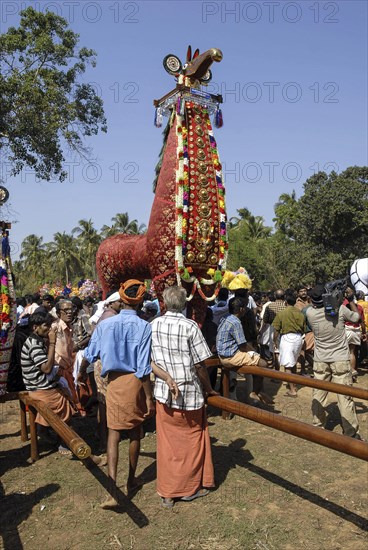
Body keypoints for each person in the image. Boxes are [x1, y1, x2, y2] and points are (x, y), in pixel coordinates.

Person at [79, 280, 154, 509]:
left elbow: (89, 354)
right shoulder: (144, 327)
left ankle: (113, 490)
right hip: (134, 383)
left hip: (113, 383)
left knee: (113, 434)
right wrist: (149, 398)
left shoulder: (105, 325)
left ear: (121, 298)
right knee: (135, 432)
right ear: (140, 300)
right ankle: (131, 480)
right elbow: (143, 368)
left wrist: (81, 374)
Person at [150, 286, 218, 509]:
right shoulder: (190, 326)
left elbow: (147, 360)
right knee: (192, 442)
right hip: (189, 395)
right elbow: (200, 364)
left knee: (168, 445)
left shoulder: (153, 325)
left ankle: (168, 493)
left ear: (164, 303)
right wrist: (209, 389)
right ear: (185, 304)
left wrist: (166, 378)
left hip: (164, 394)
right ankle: (188, 489)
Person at [306, 285, 363, 439]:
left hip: (320, 360)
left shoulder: (310, 313)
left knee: (319, 393)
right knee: (344, 396)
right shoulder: (340, 310)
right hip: (340, 359)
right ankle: (351, 432)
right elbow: (357, 318)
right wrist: (350, 300)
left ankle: (318, 426)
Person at [20, 312, 75, 453]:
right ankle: (64, 440)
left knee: (65, 393)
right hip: (38, 388)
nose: (49, 329)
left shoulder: (38, 340)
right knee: (63, 403)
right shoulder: (34, 344)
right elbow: (46, 368)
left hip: (41, 384)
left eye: (50, 325)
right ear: (35, 327)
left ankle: (44, 430)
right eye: (46, 326)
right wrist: (52, 343)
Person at [216, 297, 271, 405]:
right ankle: (255, 392)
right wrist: (254, 352)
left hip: (222, 355)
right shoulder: (236, 322)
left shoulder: (225, 318)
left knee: (255, 361)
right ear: (241, 309)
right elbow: (243, 345)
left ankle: (258, 391)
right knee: (263, 363)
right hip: (231, 356)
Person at [272, 290, 307, 397]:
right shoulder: (300, 313)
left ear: (286, 302)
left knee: (287, 365)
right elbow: (304, 329)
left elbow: (276, 330)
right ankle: (294, 385)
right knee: (293, 362)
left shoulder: (282, 313)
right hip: (298, 338)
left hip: (287, 338)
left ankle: (292, 390)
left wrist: (275, 341)